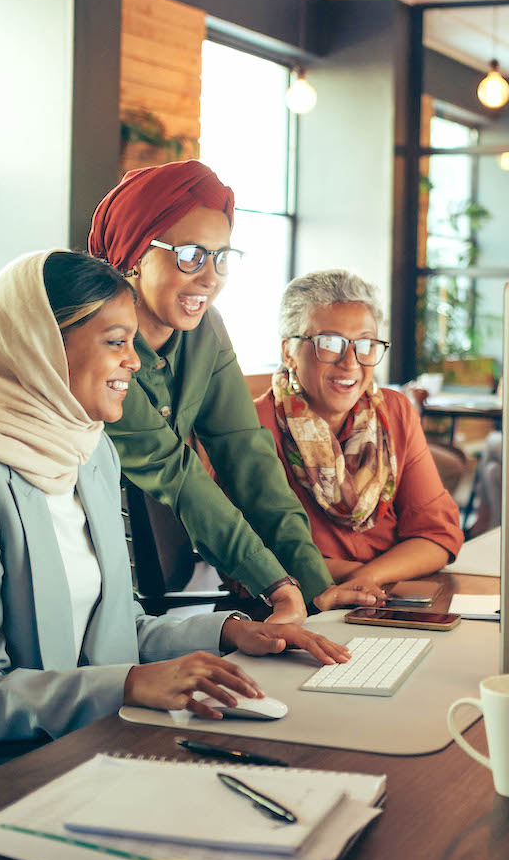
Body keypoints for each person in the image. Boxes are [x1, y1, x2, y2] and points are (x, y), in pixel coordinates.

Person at [0, 250, 349, 830]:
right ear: (40, 345)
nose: (134, 362)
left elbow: (113, 628)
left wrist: (230, 630)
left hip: (81, 757)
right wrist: (133, 682)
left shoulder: (86, 452)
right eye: (116, 341)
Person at [89, 160, 373, 624]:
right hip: (77, 560)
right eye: (190, 256)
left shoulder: (206, 330)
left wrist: (315, 586)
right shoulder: (97, 340)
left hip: (149, 594)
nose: (210, 277)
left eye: (221, 257)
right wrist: (276, 583)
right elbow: (174, 470)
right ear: (135, 254)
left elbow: (247, 456)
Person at [255, 270, 463, 596]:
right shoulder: (253, 426)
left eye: (365, 344)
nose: (350, 362)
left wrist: (369, 578)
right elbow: (253, 559)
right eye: (329, 343)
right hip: (293, 608)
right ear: (289, 353)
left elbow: (437, 535)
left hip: (385, 596)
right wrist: (367, 577)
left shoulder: (395, 412)